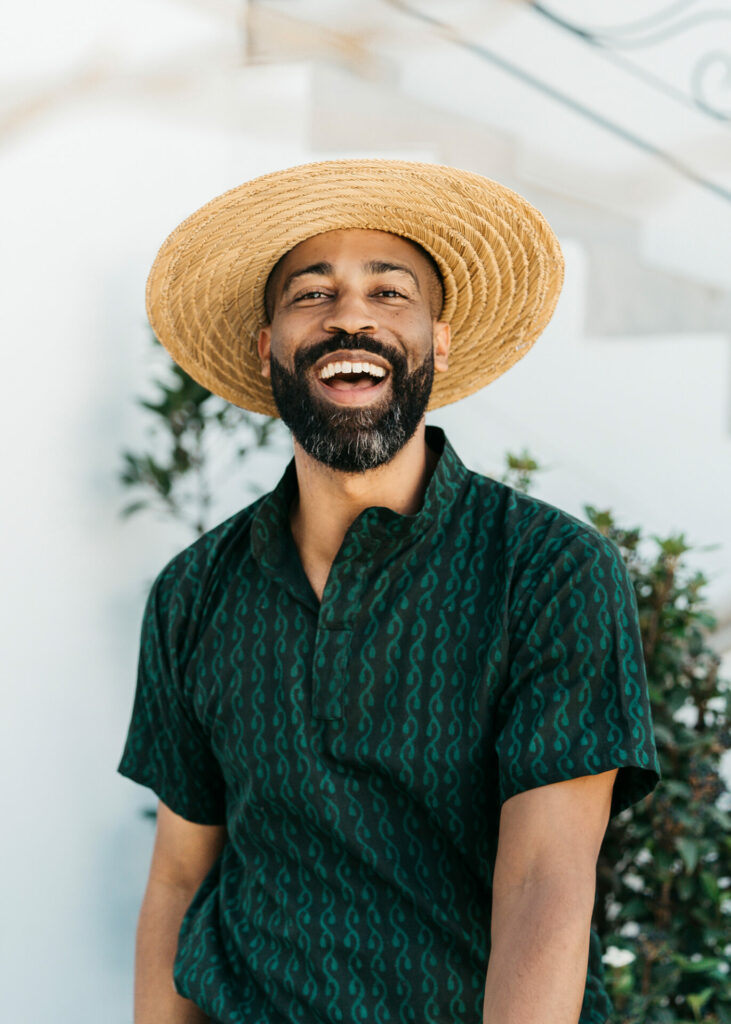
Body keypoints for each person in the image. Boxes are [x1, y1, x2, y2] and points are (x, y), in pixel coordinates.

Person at [117, 159, 660, 1024]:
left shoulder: (549, 570)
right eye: (311, 294)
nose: (351, 318)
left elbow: (544, 885)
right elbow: (181, 873)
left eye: (389, 292)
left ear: (437, 342)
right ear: (267, 348)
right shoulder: (193, 591)